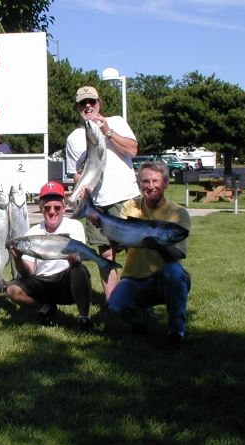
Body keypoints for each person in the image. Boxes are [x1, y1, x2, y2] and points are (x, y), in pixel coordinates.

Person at [65, 85, 139, 304]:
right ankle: (112, 304)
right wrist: (81, 192)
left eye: (92, 102)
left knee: (135, 253)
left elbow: (133, 150)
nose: (88, 106)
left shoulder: (116, 121)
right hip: (96, 205)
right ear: (77, 107)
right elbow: (75, 173)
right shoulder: (73, 138)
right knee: (106, 254)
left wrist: (108, 131)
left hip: (126, 197)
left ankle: (138, 300)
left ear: (99, 103)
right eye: (83, 103)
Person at [107, 161, 191, 345]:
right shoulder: (130, 207)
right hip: (135, 277)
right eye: (145, 181)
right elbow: (119, 244)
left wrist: (158, 245)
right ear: (139, 184)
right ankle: (142, 318)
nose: (150, 186)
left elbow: (177, 256)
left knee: (175, 272)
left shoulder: (179, 214)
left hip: (165, 279)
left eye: (155, 181)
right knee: (115, 305)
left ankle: (176, 330)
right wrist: (105, 227)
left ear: (166, 183)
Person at [6, 181, 94, 332]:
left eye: (57, 207)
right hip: (41, 283)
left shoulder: (75, 226)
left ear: (64, 208)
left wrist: (74, 261)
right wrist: (17, 258)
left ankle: (84, 318)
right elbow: (27, 273)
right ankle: (46, 309)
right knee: (12, 290)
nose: (52, 212)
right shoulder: (32, 233)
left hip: (65, 282)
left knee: (79, 270)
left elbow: (78, 261)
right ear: (41, 209)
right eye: (47, 208)